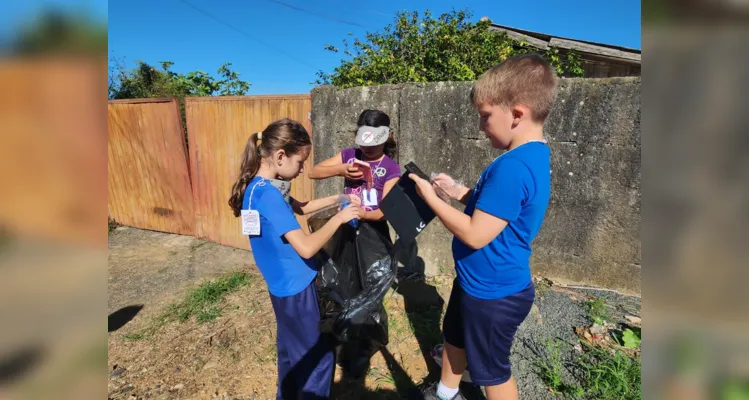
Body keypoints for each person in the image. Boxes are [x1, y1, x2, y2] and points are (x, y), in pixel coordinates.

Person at [409, 54, 558, 400]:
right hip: (476, 282)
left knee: (492, 373)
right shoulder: (529, 156)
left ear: (517, 114)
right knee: (454, 336)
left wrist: (431, 197)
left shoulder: (513, 167)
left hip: (494, 294)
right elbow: (497, 209)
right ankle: (446, 393)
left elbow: (476, 233)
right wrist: (458, 191)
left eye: (486, 116)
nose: (480, 125)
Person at [228, 118, 361, 399]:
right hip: (297, 288)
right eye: (300, 163)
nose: (302, 170)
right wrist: (340, 218)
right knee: (318, 360)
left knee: (290, 353)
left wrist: (339, 198)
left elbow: (302, 207)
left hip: (280, 288)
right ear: (279, 156)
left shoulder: (258, 188)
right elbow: (306, 248)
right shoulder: (270, 196)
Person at [308, 109, 401, 241]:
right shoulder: (349, 155)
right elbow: (313, 172)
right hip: (346, 229)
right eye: (363, 144)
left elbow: (386, 211)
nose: (368, 148)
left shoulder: (391, 168)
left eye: (374, 144)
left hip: (375, 235)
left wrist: (364, 214)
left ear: (387, 137)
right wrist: (340, 170)